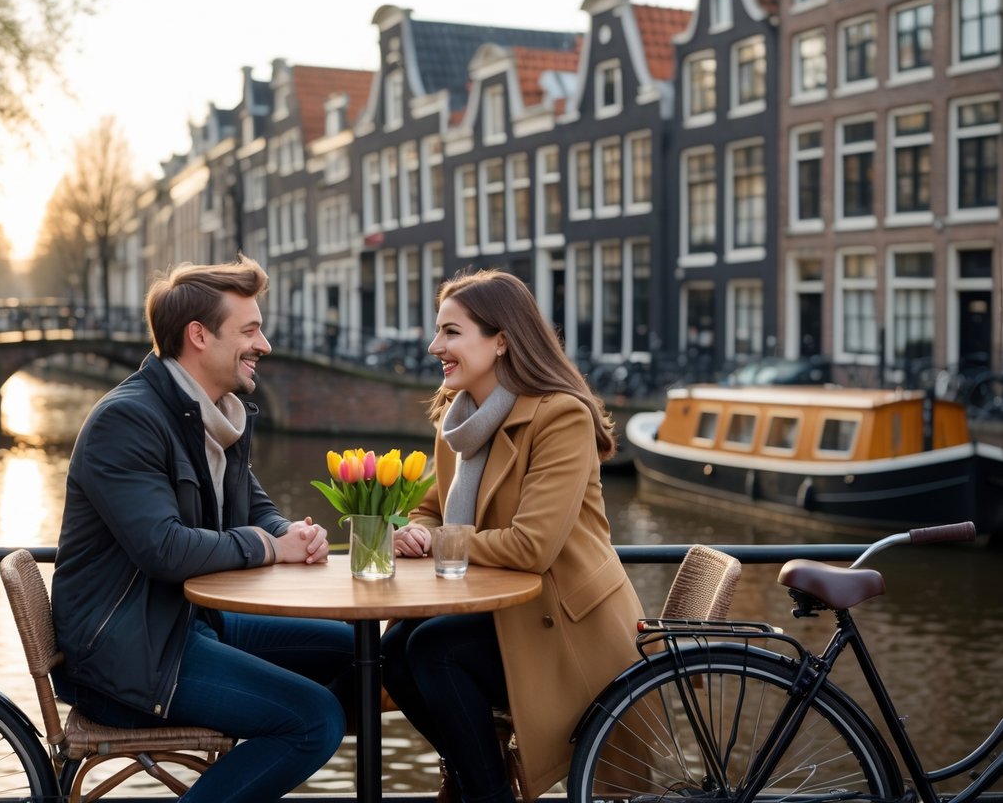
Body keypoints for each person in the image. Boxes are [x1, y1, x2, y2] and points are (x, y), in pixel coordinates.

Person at [50, 256, 355, 803]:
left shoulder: (214, 415)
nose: (264, 344)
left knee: (362, 651)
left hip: (186, 625)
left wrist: (291, 534)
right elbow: (164, 549)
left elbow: (256, 509)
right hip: (127, 655)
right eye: (250, 330)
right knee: (314, 719)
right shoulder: (128, 421)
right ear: (198, 336)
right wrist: (269, 547)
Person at [384, 269, 645, 803]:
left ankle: (486, 788)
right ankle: (481, 775)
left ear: (501, 339)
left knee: (433, 648)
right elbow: (431, 510)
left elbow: (533, 546)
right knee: (392, 650)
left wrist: (439, 542)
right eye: (438, 332)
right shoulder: (458, 422)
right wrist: (414, 532)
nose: (436, 346)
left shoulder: (560, 417)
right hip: (507, 614)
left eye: (451, 332)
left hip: (566, 628)